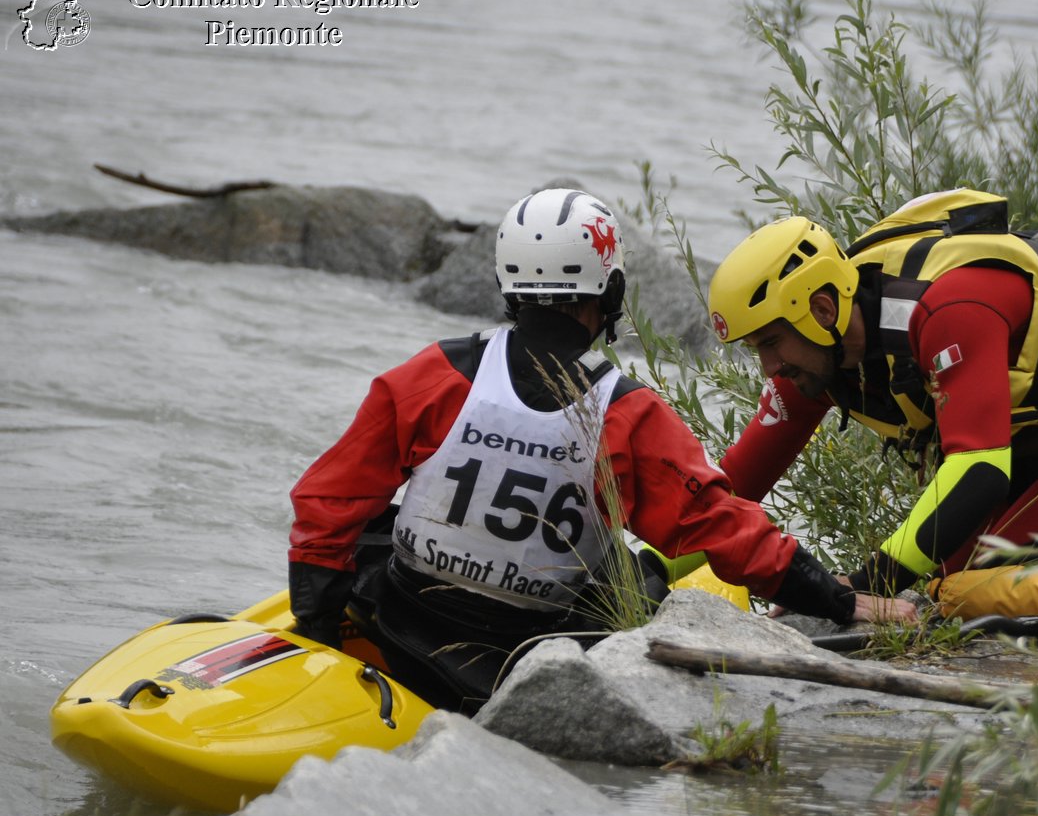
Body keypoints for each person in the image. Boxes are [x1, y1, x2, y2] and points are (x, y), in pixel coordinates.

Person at [288, 188, 913, 713]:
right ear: (608, 295)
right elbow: (722, 528)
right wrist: (837, 599)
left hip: (400, 618)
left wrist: (316, 631)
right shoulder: (628, 412)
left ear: (507, 283)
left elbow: (326, 502)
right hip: (524, 655)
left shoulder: (432, 374)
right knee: (633, 574)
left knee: (372, 519)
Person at [704, 188, 1038, 617]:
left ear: (819, 308)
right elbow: (730, 489)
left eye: (770, 343)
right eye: (757, 350)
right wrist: (648, 570)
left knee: (971, 583)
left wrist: (862, 590)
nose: (768, 368)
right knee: (954, 578)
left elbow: (979, 470)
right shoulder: (821, 352)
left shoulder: (945, 311)